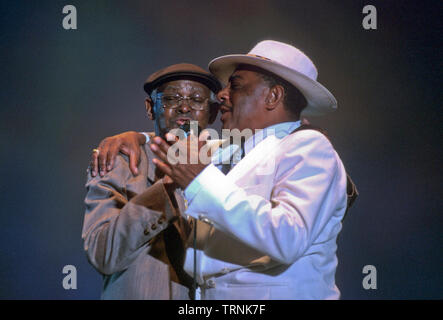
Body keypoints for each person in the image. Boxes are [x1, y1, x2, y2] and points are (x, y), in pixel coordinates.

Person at [92, 40, 357, 299]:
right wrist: (140, 138)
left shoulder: (308, 146)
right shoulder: (234, 148)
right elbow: (188, 140)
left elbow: (286, 236)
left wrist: (199, 181)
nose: (221, 95)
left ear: (273, 96)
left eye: (236, 86)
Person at [82, 63, 221, 299]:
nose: (184, 107)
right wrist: (167, 187)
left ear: (213, 112)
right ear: (150, 108)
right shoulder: (118, 161)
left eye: (197, 100)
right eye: (171, 98)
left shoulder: (227, 165)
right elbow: (102, 254)